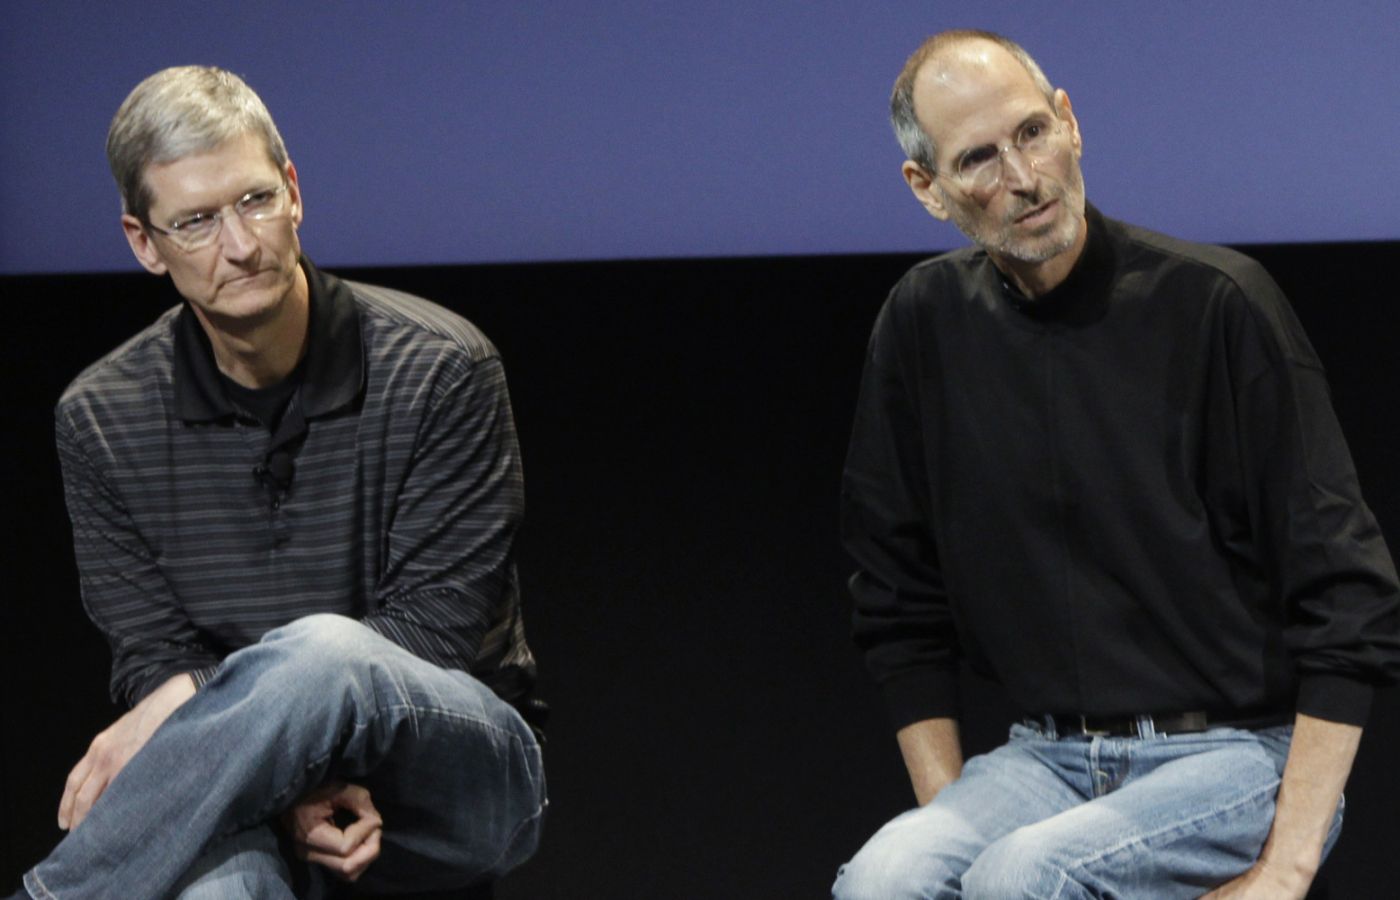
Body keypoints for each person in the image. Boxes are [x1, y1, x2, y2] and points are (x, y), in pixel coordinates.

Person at [832, 30, 1400, 900]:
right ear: (928, 188)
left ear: (1070, 121)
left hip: (1236, 752)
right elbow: (895, 595)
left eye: (1032, 133)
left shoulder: (1216, 303)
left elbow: (1349, 594)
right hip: (1046, 757)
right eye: (978, 158)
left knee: (1022, 876)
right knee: (884, 880)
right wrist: (948, 822)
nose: (1024, 178)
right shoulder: (923, 323)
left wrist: (1287, 869)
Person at [15, 66, 545, 899]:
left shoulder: (443, 368)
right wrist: (277, 773)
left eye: (255, 200)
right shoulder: (100, 418)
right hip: (241, 784)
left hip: (454, 776)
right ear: (143, 243)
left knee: (328, 651)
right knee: (217, 892)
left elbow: (429, 635)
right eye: (196, 221)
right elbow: (153, 658)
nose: (240, 245)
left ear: (293, 191)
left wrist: (210, 698)